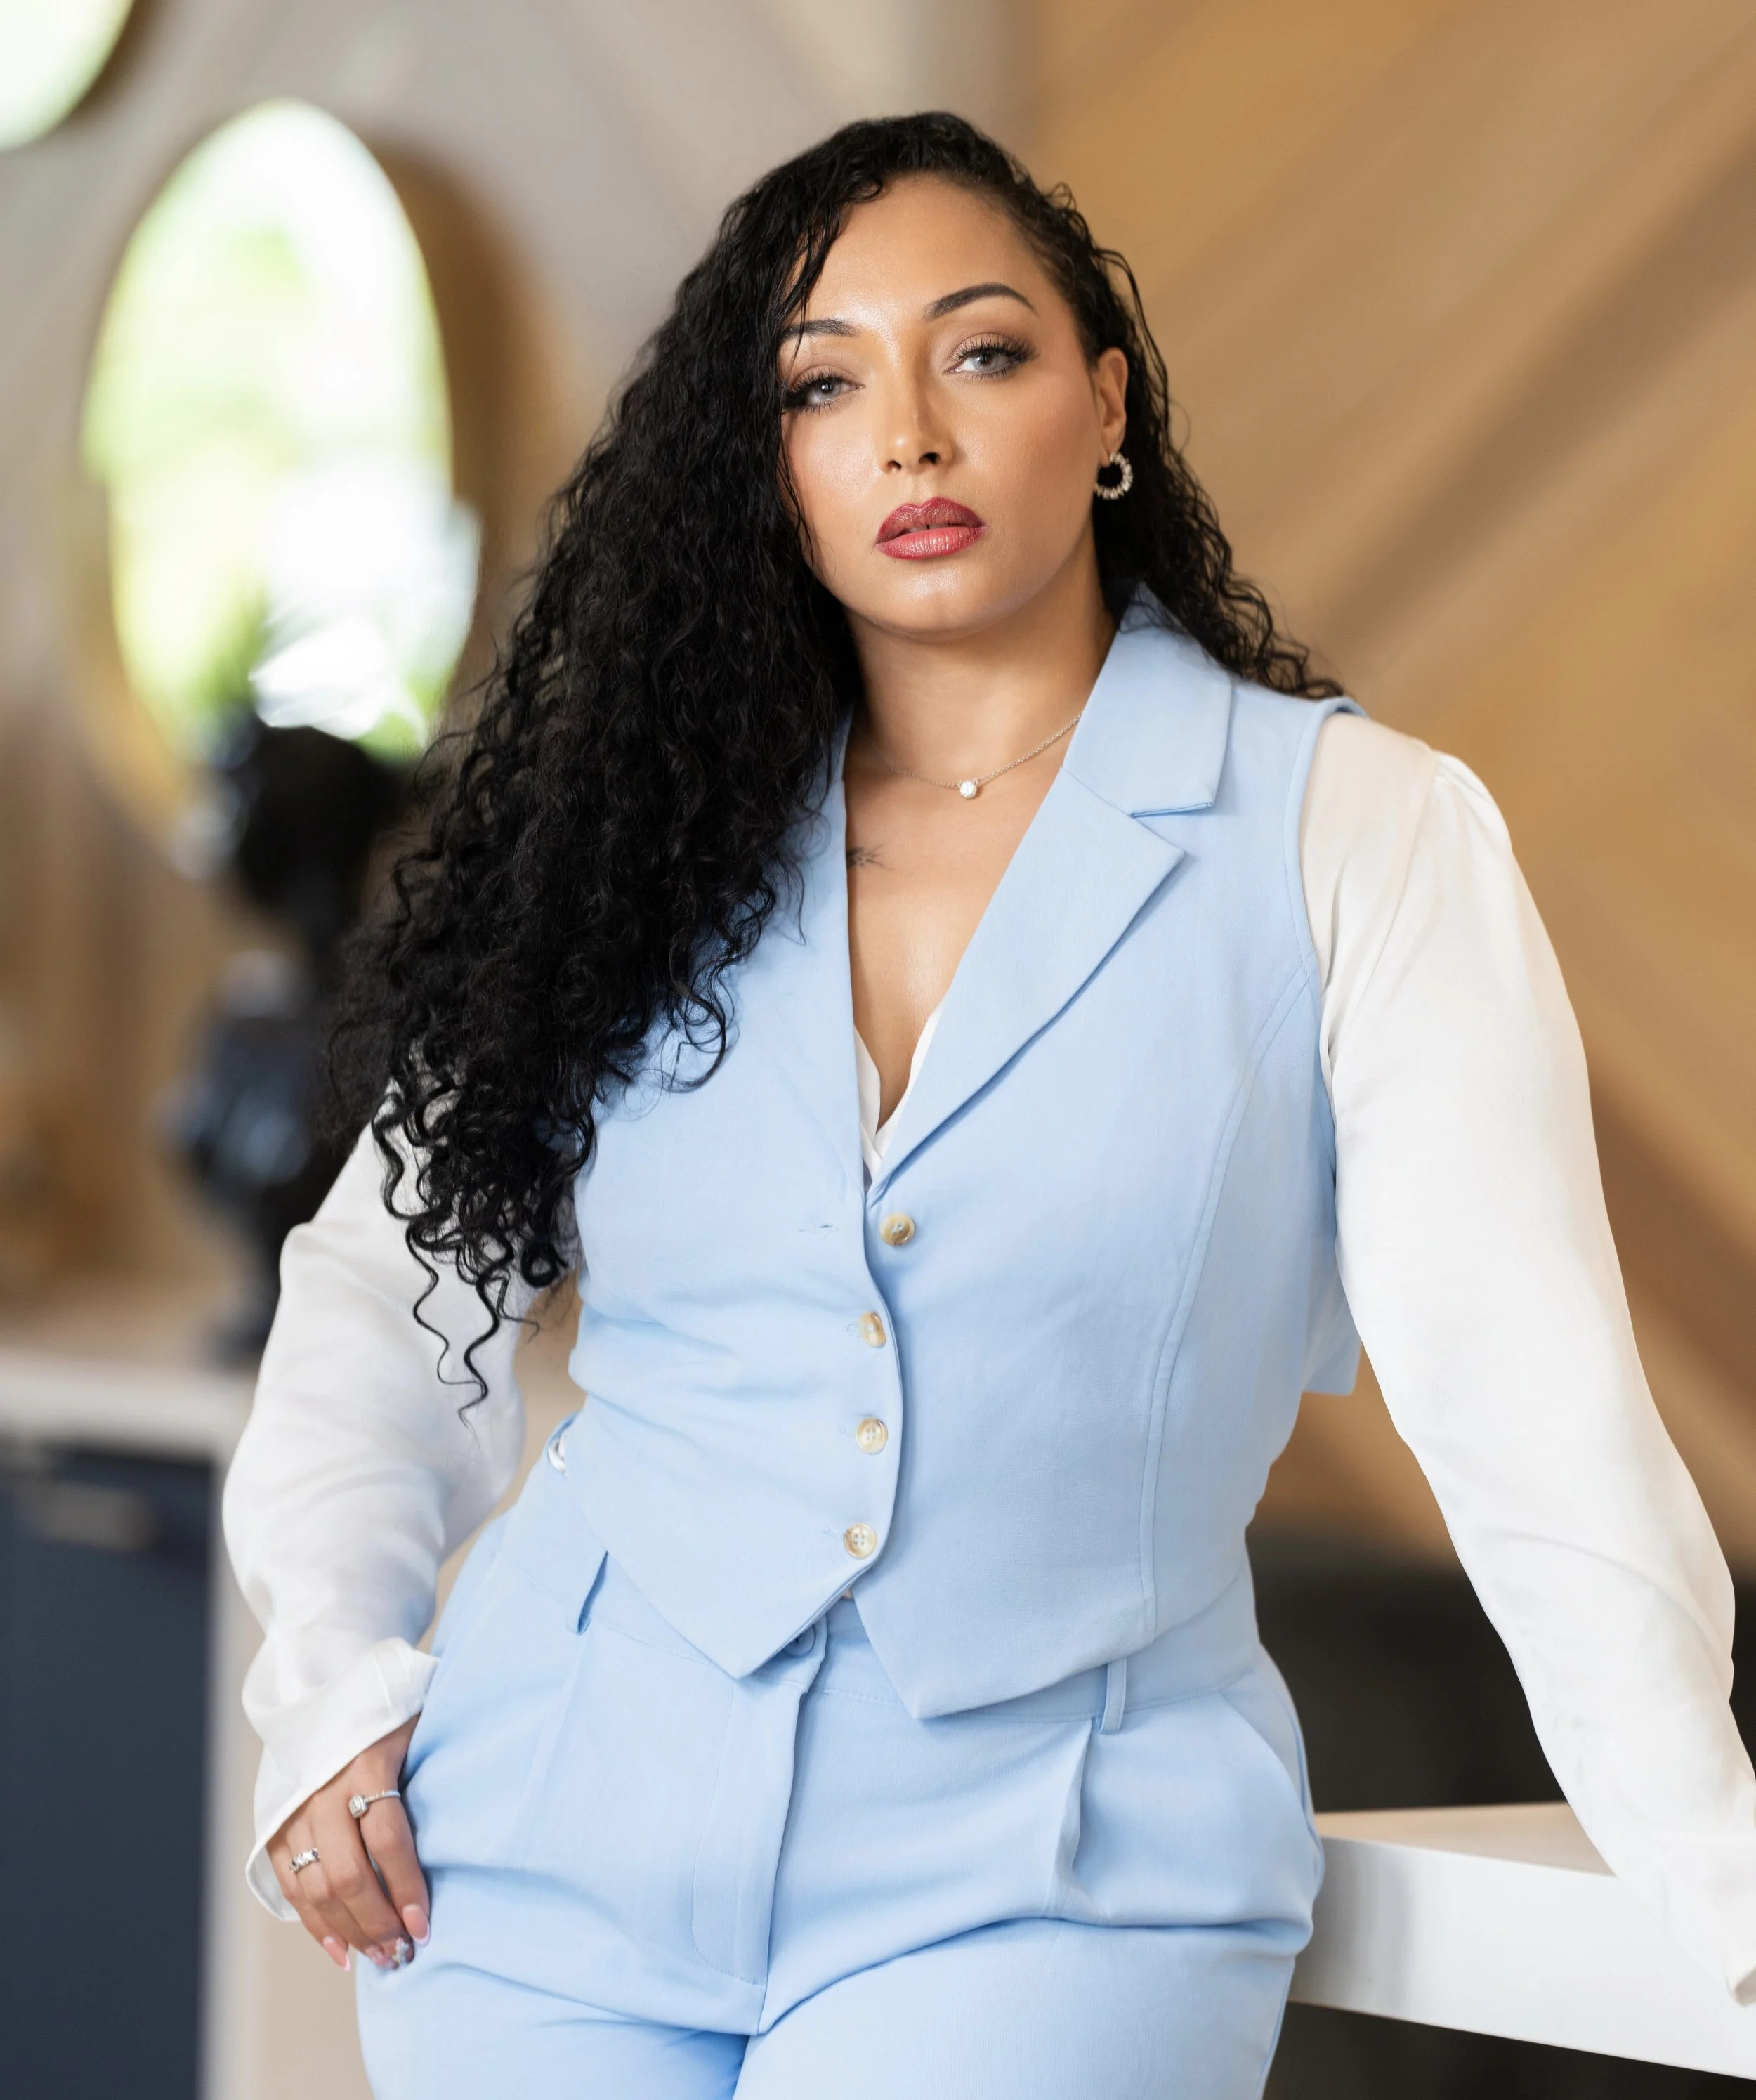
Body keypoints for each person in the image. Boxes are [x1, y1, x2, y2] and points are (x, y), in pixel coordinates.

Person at [223, 114, 1756, 2099]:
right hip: (529, 1855)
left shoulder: (1350, 838)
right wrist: (326, 1681)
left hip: (1054, 1878)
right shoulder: (628, 846)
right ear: (762, 463)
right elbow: (384, 1291)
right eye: (822, 380)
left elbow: (1528, 1410)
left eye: (983, 352)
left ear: (1104, 402)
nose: (909, 437)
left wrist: (1719, 1879)